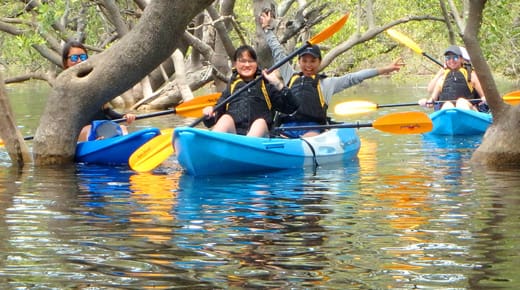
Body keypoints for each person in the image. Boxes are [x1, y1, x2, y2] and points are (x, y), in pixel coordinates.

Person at [260, 10, 404, 138]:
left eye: (313, 61)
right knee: (276, 135)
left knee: (309, 136)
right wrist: (267, 28)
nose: (308, 65)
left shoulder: (328, 83)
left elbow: (356, 77)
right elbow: (277, 51)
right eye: (305, 61)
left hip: (313, 129)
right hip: (287, 128)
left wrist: (386, 69)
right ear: (299, 61)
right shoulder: (289, 76)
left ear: (319, 62)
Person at [202, 45, 298, 137]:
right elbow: (210, 122)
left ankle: (246, 149)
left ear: (256, 64)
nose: (247, 65)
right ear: (235, 64)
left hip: (260, 139)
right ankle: (212, 145)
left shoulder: (266, 85)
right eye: (242, 61)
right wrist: (209, 114)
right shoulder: (231, 87)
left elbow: (292, 108)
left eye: (250, 61)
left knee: (259, 123)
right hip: (236, 137)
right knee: (225, 119)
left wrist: (278, 84)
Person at [62, 40, 136, 141]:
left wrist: (124, 116)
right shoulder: (64, 87)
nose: (79, 61)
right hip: (84, 131)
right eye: (74, 58)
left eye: (83, 57)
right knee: (90, 131)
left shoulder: (96, 81)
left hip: (103, 127)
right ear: (66, 62)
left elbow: (106, 111)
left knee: (122, 128)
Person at [420, 45, 486, 111]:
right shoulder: (442, 79)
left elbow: (484, 96)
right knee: (447, 105)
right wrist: (425, 102)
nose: (451, 60)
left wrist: (485, 99)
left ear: (462, 60)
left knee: (461, 102)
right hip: (448, 110)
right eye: (448, 58)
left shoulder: (471, 76)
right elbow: (431, 101)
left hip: (468, 107)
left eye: (455, 57)